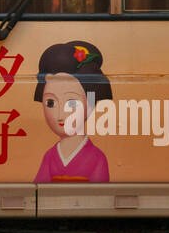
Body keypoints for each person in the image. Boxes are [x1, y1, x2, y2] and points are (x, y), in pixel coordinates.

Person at [33, 40, 112, 182]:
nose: (59, 115)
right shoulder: (50, 156)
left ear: (90, 105)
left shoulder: (97, 158)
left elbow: (100, 198)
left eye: (72, 103)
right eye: (51, 103)